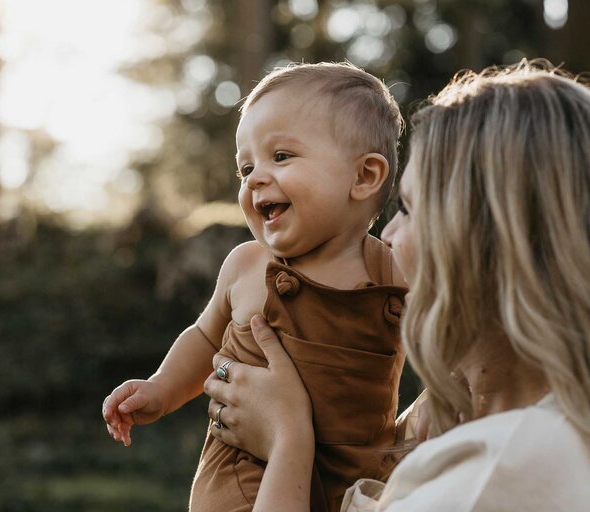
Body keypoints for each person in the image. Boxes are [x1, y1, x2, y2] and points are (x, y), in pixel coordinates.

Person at [204, 60, 590, 511]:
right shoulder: (506, 429)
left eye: (407, 208)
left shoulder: (498, 472)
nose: (387, 236)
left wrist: (288, 438)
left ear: (485, 238)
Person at [102, 62, 408, 511]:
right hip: (240, 486)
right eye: (246, 167)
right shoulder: (247, 265)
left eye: (280, 157)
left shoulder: (393, 274)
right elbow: (204, 336)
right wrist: (161, 389)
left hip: (352, 492)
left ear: (364, 177)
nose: (255, 179)